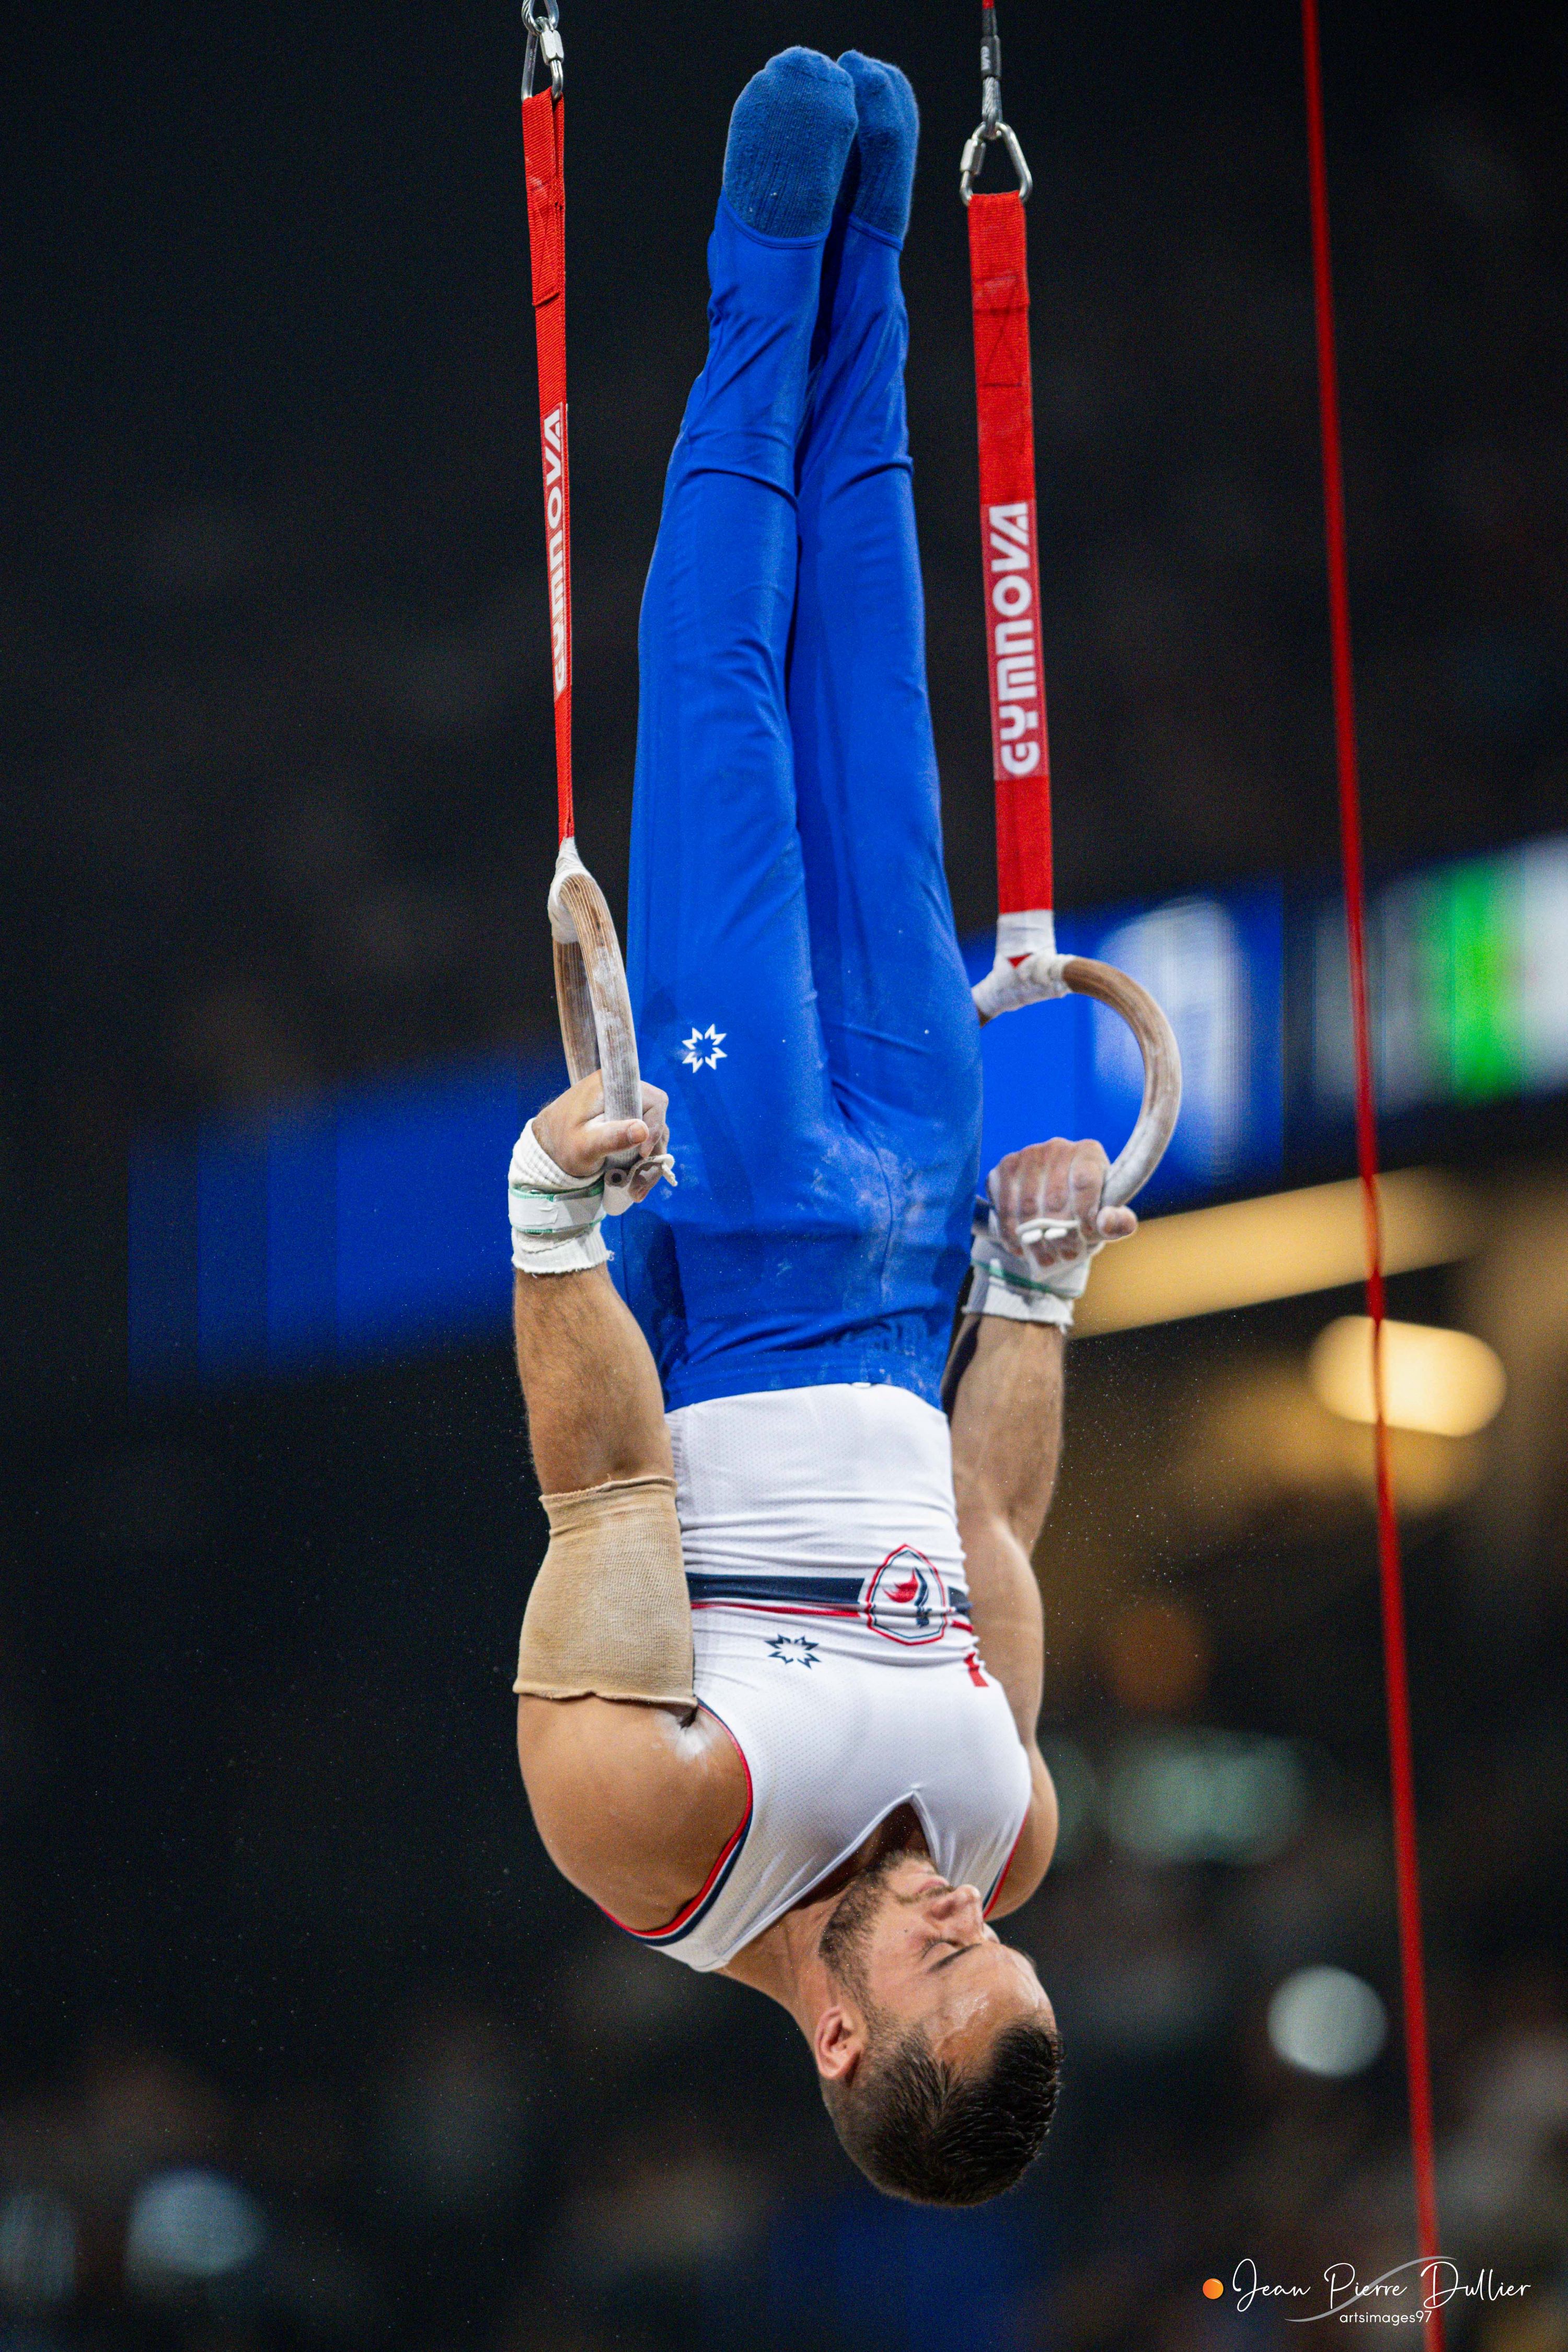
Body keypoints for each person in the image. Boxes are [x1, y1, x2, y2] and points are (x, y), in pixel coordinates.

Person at [505, 47, 1135, 2207]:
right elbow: (996, 1532)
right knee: (881, 692)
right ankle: (878, 249)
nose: (983, 1907)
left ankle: (769, 259)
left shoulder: (661, 1838)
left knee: (728, 708)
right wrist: (1034, 1286)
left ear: (846, 2037)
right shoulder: (1007, 1822)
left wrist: (548, 1225)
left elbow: (600, 1486)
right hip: (913, 1229)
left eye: (953, 1964)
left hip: (749, 1220)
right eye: (1009, 1948)